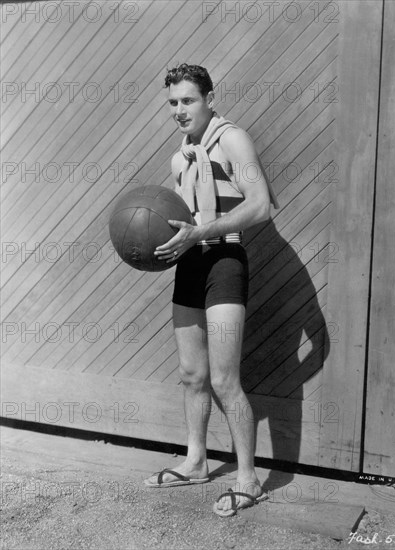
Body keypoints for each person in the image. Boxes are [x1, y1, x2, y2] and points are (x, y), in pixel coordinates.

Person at [144, 64, 278, 517]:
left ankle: (247, 479)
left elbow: (260, 206)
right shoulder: (180, 156)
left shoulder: (232, 139)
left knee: (223, 378)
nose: (180, 110)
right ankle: (196, 461)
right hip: (191, 264)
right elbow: (183, 220)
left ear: (210, 98)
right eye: (173, 103)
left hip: (224, 260)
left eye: (188, 100)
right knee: (192, 375)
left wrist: (200, 234)